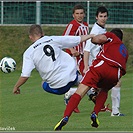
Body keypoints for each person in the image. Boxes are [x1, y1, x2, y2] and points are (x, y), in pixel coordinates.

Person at [54, 28, 128, 130]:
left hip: (103, 65)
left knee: (80, 91)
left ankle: (66, 116)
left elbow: (101, 38)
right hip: (116, 74)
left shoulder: (111, 37)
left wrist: (93, 39)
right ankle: (95, 113)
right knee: (104, 90)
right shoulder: (124, 50)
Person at [13, 24, 94, 96]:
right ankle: (89, 88)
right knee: (84, 83)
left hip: (59, 87)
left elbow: (25, 76)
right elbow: (77, 39)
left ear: (30, 37)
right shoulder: (52, 39)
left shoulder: (28, 53)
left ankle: (74, 92)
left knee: (43, 84)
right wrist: (91, 35)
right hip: (72, 75)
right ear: (42, 34)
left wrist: (16, 86)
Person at [84, 6, 124, 116]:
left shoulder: (102, 30)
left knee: (96, 88)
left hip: (102, 63)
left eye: (105, 16)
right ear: (96, 17)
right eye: (100, 16)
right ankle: (115, 111)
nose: (103, 18)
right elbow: (86, 49)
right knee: (115, 83)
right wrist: (85, 66)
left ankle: (69, 93)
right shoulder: (95, 31)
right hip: (97, 64)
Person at [63, 4, 89, 113]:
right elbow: (63, 40)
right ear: (73, 15)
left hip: (84, 57)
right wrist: (72, 49)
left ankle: (72, 98)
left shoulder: (86, 25)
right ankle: (70, 96)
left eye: (81, 13)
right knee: (85, 81)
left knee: (85, 81)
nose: (79, 16)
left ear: (84, 14)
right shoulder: (72, 25)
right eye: (77, 13)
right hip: (74, 58)